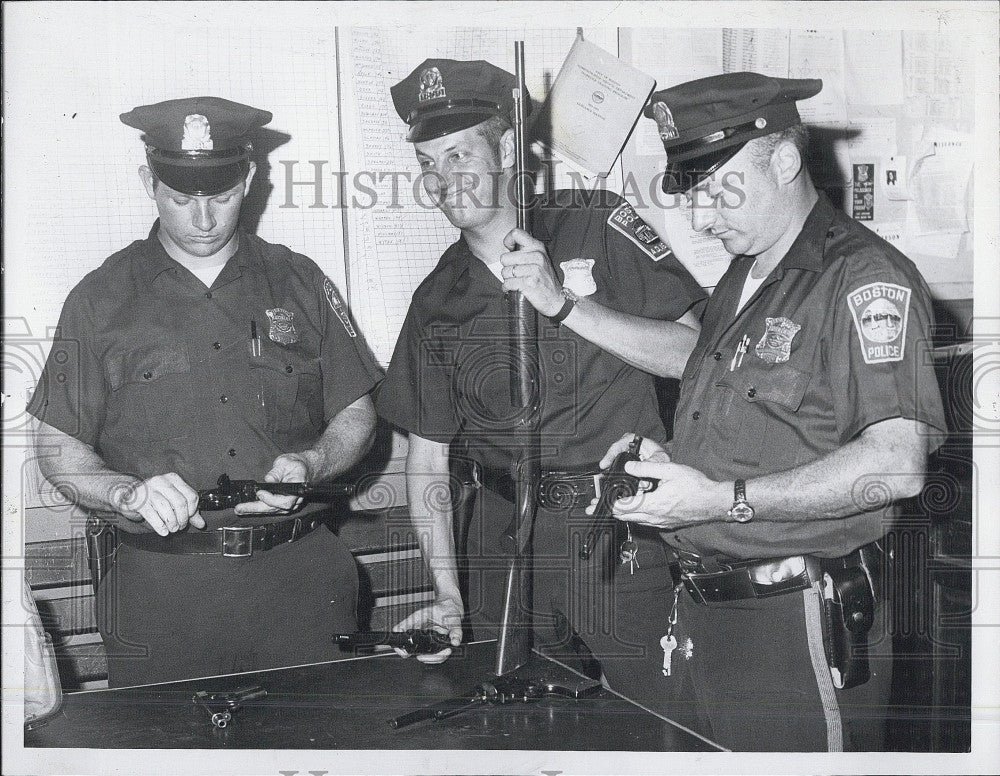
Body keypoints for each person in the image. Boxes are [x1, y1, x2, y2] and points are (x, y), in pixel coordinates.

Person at [595, 72, 948, 751]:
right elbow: (765, 432)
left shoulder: (864, 279)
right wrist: (672, 472)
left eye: (716, 189)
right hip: (705, 612)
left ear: (783, 160)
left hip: (797, 622)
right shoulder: (743, 274)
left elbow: (897, 468)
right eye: (690, 194)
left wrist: (718, 500)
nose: (699, 218)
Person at [375, 59, 706, 705]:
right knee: (513, 721)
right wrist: (447, 590)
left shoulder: (595, 222)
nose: (445, 179)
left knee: (665, 715)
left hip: (616, 527)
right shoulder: (437, 297)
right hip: (502, 538)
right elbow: (427, 458)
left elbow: (695, 358)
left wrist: (566, 306)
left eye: (460, 154)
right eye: (428, 164)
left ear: (506, 152)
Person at [28, 97, 379, 687]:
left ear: (249, 177)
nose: (205, 219)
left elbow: (357, 412)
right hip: (161, 595)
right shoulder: (100, 298)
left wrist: (312, 463)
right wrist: (125, 492)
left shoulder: (300, 281)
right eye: (182, 199)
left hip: (301, 580)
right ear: (149, 182)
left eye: (220, 196)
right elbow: (58, 450)